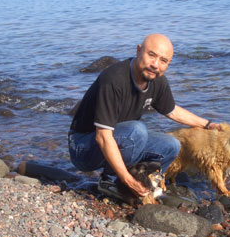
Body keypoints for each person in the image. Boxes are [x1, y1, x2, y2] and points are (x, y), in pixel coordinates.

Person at [68, 34, 220, 198]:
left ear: (168, 63)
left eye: (163, 61)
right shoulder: (113, 79)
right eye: (152, 55)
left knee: (172, 145)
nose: (155, 65)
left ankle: (146, 183)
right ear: (139, 50)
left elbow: (172, 111)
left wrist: (207, 124)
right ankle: (110, 181)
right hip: (83, 147)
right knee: (137, 131)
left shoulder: (157, 81)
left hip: (119, 138)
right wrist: (127, 179)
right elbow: (103, 137)